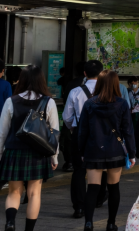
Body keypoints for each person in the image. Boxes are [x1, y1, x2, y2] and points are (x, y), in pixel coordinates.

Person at [0, 65, 59, 231]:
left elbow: (2, 132)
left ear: (22, 80)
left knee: (13, 192)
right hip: (38, 153)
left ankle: (10, 222)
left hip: (14, 151)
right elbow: (54, 132)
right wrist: (54, 157)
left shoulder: (11, 101)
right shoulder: (49, 102)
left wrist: (0, 154)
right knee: (34, 193)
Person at [78, 69, 136, 231]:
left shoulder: (89, 104)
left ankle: (88, 223)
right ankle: (111, 223)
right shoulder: (122, 104)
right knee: (113, 187)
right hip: (115, 151)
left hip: (93, 151)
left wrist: (82, 152)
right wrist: (132, 153)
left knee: (92, 188)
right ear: (116, 84)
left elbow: (83, 131)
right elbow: (128, 131)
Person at [63, 60, 106, 220]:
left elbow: (67, 117)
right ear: (101, 73)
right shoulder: (107, 91)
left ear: (85, 73)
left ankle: (79, 207)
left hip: (79, 134)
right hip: (102, 135)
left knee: (79, 170)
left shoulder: (75, 91)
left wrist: (74, 128)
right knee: (101, 167)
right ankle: (99, 198)